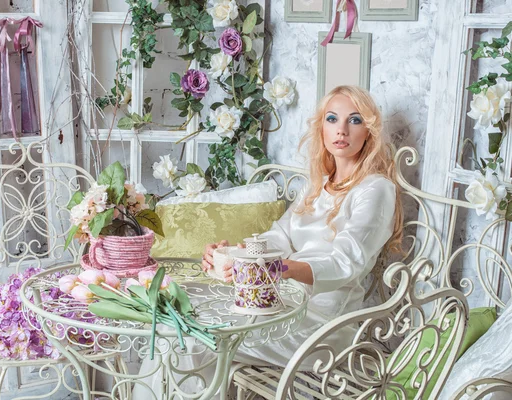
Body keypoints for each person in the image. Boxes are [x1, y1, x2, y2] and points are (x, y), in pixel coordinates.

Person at [135, 85, 403, 397]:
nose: (341, 129)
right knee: (173, 328)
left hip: (320, 327)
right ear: (322, 127)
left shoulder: (375, 189)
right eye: (332, 119)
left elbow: (346, 262)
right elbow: (279, 236)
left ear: (368, 131)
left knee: (191, 338)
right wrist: (232, 252)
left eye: (354, 120)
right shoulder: (319, 186)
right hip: (277, 303)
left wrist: (277, 268)